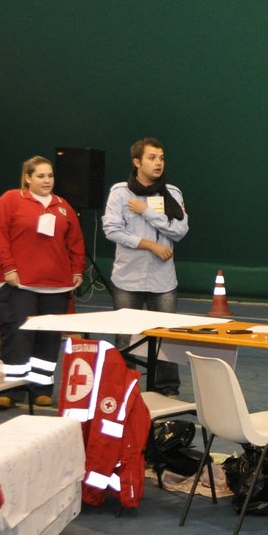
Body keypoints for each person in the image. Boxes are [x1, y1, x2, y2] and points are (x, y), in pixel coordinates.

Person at [0, 156, 86, 403]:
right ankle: (8, 390)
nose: (47, 180)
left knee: (48, 338)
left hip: (56, 286)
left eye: (50, 176)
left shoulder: (63, 206)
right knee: (17, 335)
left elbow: (76, 241)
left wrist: (76, 271)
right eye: (40, 176)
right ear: (28, 178)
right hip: (20, 284)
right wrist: (7, 269)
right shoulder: (10, 200)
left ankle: (40, 389)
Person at [103, 137, 189, 394]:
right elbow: (112, 230)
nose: (158, 163)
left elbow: (180, 230)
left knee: (165, 336)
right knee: (125, 338)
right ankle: (122, 390)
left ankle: (167, 388)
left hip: (162, 281)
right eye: (152, 158)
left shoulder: (173, 193)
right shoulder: (120, 193)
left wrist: (146, 212)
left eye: (161, 158)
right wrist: (149, 245)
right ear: (137, 162)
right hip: (128, 279)